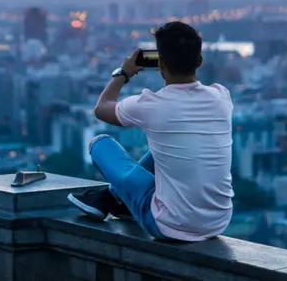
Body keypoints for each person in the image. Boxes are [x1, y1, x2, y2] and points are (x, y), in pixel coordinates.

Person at [68, 21, 234, 241]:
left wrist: (123, 73)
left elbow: (101, 109)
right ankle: (110, 198)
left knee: (100, 143)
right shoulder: (221, 97)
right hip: (218, 222)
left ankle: (108, 198)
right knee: (166, 151)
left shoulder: (151, 104)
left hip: (168, 225)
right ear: (200, 61)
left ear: (160, 64)